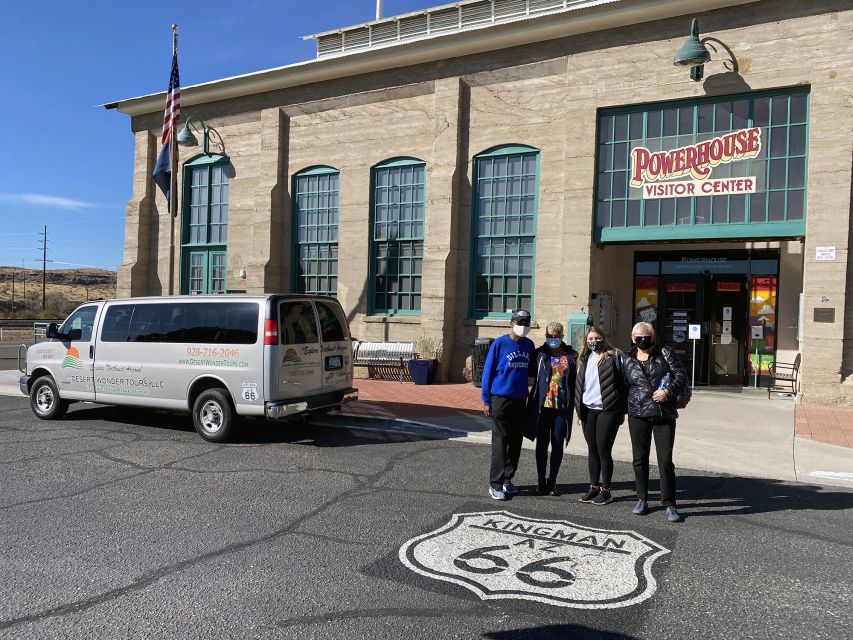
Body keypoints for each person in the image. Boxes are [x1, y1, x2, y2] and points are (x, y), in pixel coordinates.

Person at [622, 321, 688, 522]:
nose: (642, 339)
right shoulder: (627, 358)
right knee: (639, 459)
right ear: (633, 338)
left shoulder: (665, 353)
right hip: (638, 413)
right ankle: (641, 498)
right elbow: (622, 384)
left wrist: (668, 391)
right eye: (638, 337)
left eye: (646, 336)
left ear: (653, 337)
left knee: (665, 460)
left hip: (663, 414)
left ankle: (669, 503)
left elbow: (681, 375)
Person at [481, 309, 535, 501]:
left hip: (520, 400)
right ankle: (495, 484)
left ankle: (507, 479)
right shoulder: (499, 344)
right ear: (511, 323)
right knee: (500, 442)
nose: (523, 326)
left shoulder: (529, 345)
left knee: (515, 442)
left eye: (526, 323)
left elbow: (534, 370)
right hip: (500, 400)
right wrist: (486, 400)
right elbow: (487, 373)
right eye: (520, 322)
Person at [574, 326, 627, 506]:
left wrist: (622, 411)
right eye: (590, 339)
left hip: (608, 409)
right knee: (592, 449)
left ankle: (607, 490)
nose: (593, 341)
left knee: (604, 449)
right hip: (588, 410)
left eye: (597, 338)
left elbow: (624, 384)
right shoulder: (583, 358)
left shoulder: (614, 357)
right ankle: (594, 486)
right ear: (586, 341)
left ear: (603, 338)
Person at [527, 322, 577, 496]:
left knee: (557, 444)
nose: (552, 339)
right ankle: (541, 480)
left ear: (562, 336)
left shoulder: (571, 356)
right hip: (543, 407)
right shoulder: (540, 354)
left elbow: (577, 382)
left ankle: (553, 480)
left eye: (556, 336)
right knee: (542, 444)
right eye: (549, 336)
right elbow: (528, 375)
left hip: (561, 408)